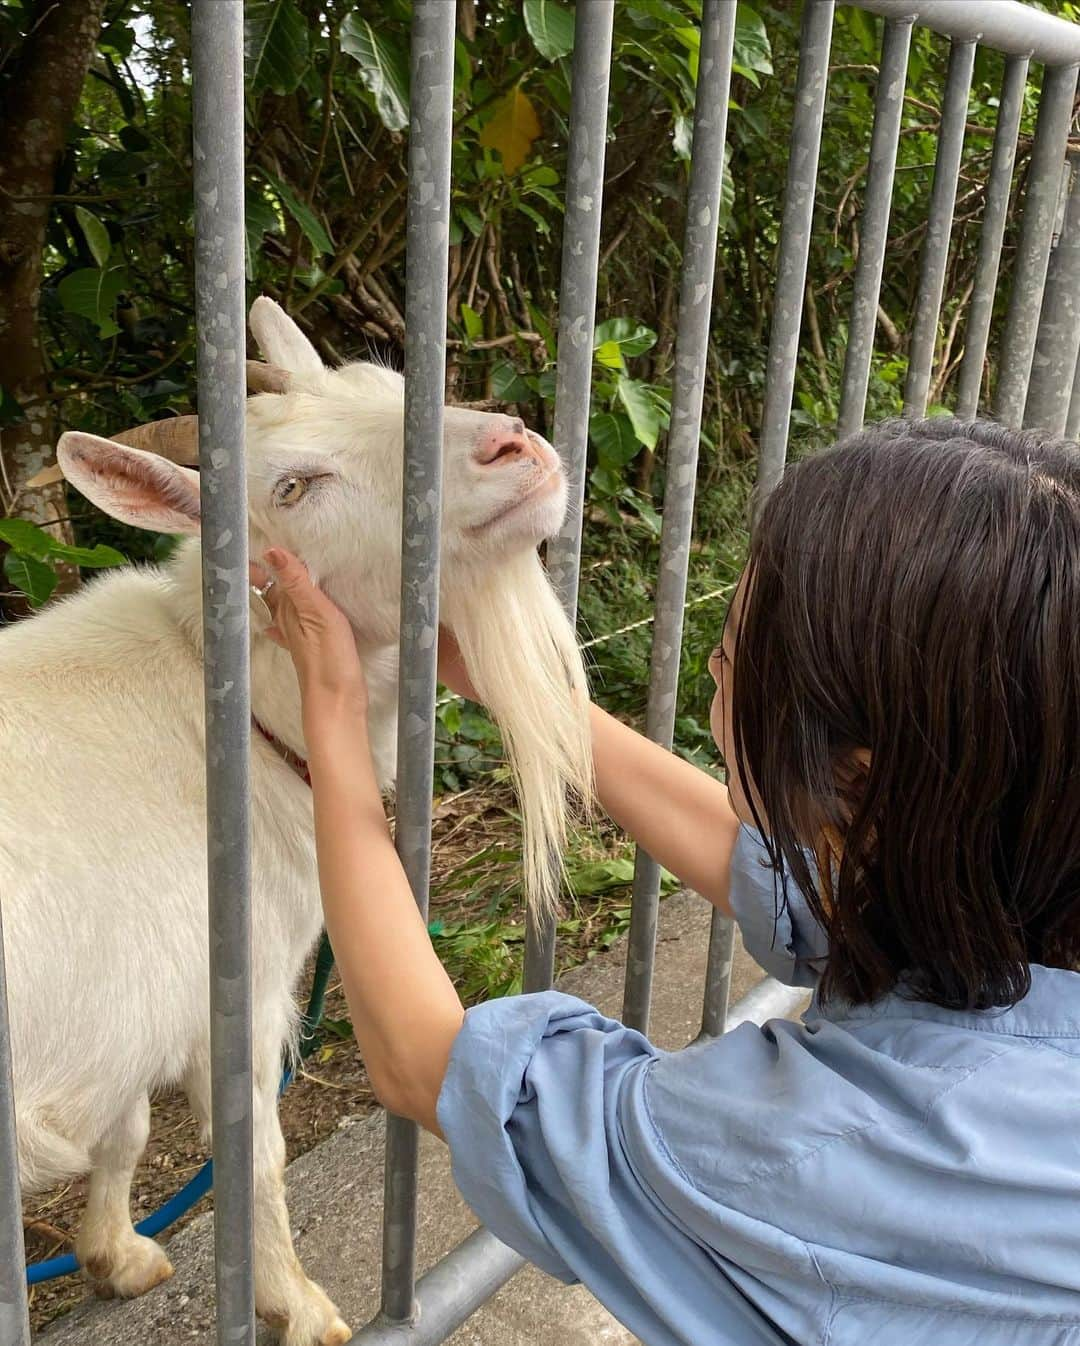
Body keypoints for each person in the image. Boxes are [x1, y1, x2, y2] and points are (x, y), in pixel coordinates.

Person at [250, 417, 1080, 1346]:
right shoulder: (1016, 852)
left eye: (732, 659)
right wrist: (504, 670)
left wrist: (332, 708)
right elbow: (794, 878)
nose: (716, 673)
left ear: (853, 768)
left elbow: (421, 1060)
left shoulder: (821, 1154)